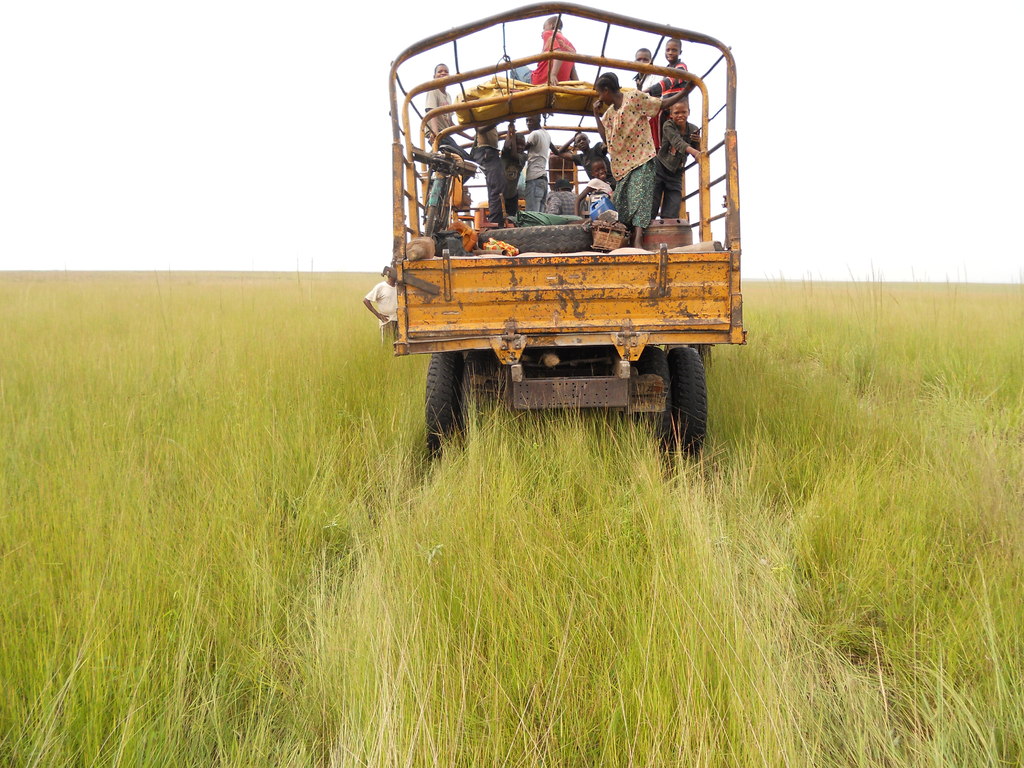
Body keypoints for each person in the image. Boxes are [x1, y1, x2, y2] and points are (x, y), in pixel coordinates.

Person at [592, 71, 691, 247]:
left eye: (600, 93)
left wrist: (684, 92)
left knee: (641, 198)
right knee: (622, 204)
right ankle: (627, 239)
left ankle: (638, 240)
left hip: (642, 158)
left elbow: (661, 104)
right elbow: (605, 139)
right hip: (622, 166)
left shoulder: (634, 98)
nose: (600, 97)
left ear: (606, 90)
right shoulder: (608, 114)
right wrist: (596, 115)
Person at [652, 99, 701, 220]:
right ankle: (645, 236)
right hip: (660, 169)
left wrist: (697, 142)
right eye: (676, 113)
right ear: (671, 114)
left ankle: (666, 238)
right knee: (652, 206)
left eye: (683, 112)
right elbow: (677, 142)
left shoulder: (693, 129)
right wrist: (695, 152)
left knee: (672, 212)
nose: (680, 115)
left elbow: (698, 152)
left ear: (689, 112)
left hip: (676, 174)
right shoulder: (668, 125)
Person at [423, 63, 471, 159]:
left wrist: (470, 137)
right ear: (434, 76)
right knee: (464, 158)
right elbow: (432, 113)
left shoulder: (448, 96)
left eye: (446, 71)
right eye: (440, 71)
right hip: (437, 134)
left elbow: (450, 122)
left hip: (445, 134)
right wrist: (436, 135)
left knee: (465, 157)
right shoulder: (433, 90)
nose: (443, 73)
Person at [471, 123, 506, 226]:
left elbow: (488, 133)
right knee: (496, 188)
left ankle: (496, 221)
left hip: (490, 151)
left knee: (498, 186)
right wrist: (499, 120)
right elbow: (480, 128)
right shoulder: (483, 116)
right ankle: (494, 222)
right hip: (486, 152)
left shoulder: (490, 119)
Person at [531, 16, 577, 86]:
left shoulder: (548, 33)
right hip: (560, 84)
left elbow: (558, 53)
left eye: (544, 27)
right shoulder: (572, 47)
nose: (543, 31)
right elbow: (573, 71)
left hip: (541, 80)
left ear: (551, 26)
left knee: (516, 69)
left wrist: (553, 75)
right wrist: (579, 85)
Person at [523, 115, 553, 212]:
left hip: (534, 179)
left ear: (539, 120)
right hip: (543, 180)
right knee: (540, 215)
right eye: (527, 121)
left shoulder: (534, 134)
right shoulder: (547, 135)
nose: (528, 123)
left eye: (531, 120)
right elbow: (557, 152)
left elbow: (522, 148)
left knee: (532, 215)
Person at [363, 266, 398, 341]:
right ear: (391, 275)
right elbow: (366, 300)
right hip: (387, 321)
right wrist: (378, 315)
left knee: (398, 347)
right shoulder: (381, 287)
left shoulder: (399, 287)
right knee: (387, 345)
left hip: (399, 321)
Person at [501, 122, 527, 222]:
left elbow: (514, 155)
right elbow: (507, 146)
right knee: (500, 220)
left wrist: (514, 140)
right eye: (518, 144)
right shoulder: (505, 153)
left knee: (513, 220)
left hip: (512, 195)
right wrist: (510, 132)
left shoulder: (523, 156)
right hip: (500, 193)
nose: (520, 147)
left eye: (522, 145)